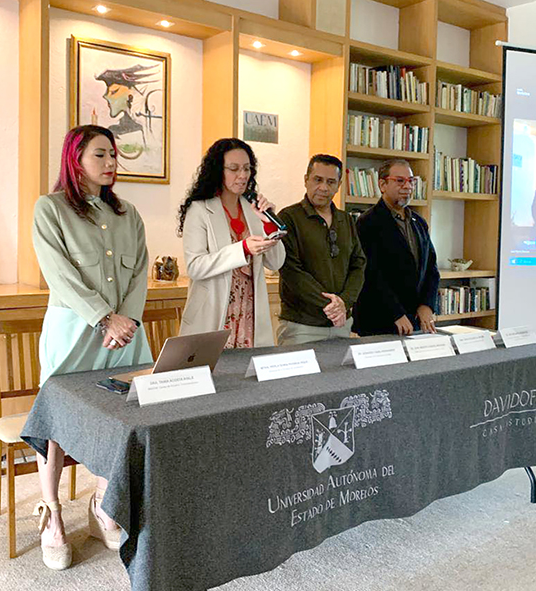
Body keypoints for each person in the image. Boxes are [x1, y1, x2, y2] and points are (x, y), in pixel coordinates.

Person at [31, 125, 153, 570]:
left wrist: (127, 320)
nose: (111, 162)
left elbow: (139, 272)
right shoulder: (50, 209)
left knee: (121, 414)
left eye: (113, 155)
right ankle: (52, 515)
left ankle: (103, 502)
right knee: (57, 424)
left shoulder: (128, 214)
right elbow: (59, 274)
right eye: (100, 154)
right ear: (75, 158)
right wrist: (105, 317)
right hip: (75, 331)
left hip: (125, 334)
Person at [177, 138, 285, 348]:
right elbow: (195, 267)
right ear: (218, 170)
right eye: (234, 169)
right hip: (214, 314)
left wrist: (269, 223)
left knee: (247, 367)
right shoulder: (199, 209)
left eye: (247, 168)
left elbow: (276, 262)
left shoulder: (253, 209)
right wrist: (243, 249)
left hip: (249, 313)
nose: (242, 175)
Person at [276, 154, 366, 345]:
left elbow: (358, 265)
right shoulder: (288, 218)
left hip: (342, 323)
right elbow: (291, 271)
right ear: (306, 180)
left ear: (338, 185)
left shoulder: (346, 220)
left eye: (331, 182)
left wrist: (344, 302)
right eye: (318, 180)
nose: (324, 187)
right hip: (301, 326)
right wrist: (332, 305)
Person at [353, 159, 439, 336]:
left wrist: (427, 305)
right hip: (379, 320)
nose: (407, 186)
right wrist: (396, 313)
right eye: (400, 181)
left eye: (411, 181)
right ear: (382, 185)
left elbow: (431, 268)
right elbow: (370, 274)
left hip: (414, 320)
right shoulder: (367, 222)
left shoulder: (419, 222)